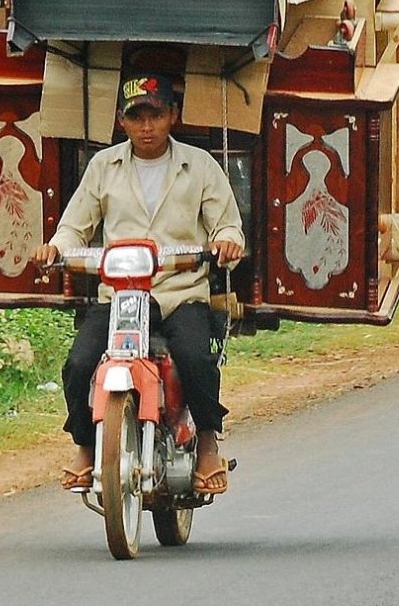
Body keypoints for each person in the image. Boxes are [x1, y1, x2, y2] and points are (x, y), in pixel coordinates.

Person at [32, 73, 245, 495]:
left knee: (196, 359)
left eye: (156, 115)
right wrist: (55, 249)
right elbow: (74, 227)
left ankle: (207, 443)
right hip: (121, 297)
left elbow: (227, 225)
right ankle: (86, 446)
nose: (147, 126)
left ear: (173, 116)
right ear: (121, 121)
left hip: (180, 294)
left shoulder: (200, 165)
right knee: (78, 364)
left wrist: (225, 242)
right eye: (137, 117)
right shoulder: (103, 166)